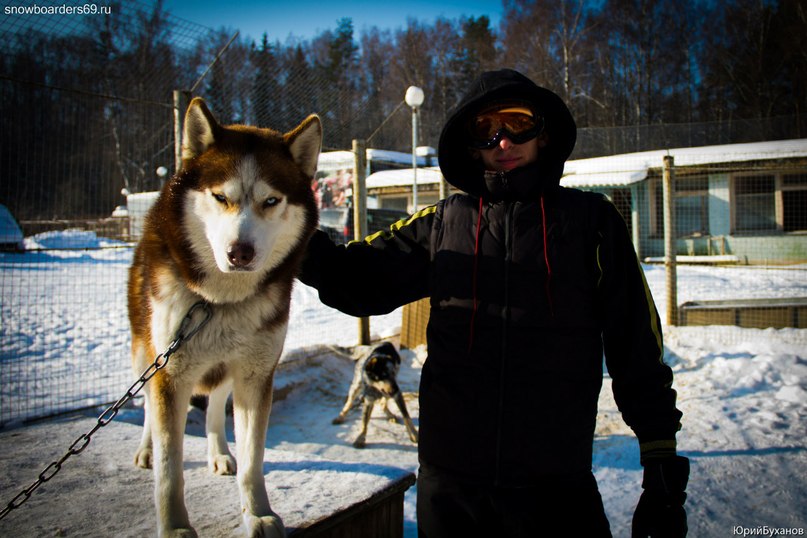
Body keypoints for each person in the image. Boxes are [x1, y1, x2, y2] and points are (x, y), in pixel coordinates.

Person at [299, 68, 689, 537]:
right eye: (485, 130)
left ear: (543, 131)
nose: (502, 141)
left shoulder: (593, 224)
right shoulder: (443, 222)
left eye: (517, 122)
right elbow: (355, 278)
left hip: (555, 486)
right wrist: (277, 232)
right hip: (452, 487)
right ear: (470, 145)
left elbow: (635, 346)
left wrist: (661, 461)